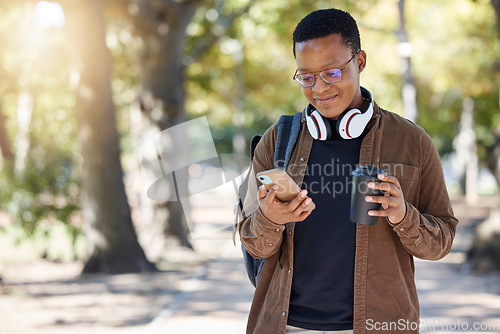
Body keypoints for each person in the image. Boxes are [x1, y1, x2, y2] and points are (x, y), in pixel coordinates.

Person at [238, 8, 458, 334]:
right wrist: (270, 218)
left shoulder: (412, 141)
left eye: (332, 73)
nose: (319, 88)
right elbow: (253, 243)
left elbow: (441, 242)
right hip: (286, 326)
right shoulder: (276, 140)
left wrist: (403, 215)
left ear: (361, 61)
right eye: (307, 77)